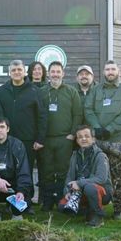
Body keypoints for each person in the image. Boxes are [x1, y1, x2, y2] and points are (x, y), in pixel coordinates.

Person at [84, 60, 121, 219]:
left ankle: (119, 208)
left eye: (113, 69)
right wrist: (97, 127)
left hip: (118, 140)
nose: (110, 72)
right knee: (98, 172)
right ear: (104, 72)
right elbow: (88, 109)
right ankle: (96, 204)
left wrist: (110, 129)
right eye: (107, 69)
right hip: (98, 139)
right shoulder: (96, 90)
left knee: (119, 174)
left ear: (118, 71)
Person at [0, 60, 47, 205]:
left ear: (24, 71)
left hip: (28, 140)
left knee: (26, 172)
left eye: (19, 69)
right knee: (6, 170)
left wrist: (40, 138)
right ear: (9, 72)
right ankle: (8, 201)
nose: (16, 72)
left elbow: (42, 116)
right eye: (13, 70)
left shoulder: (34, 91)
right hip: (6, 140)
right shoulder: (1, 91)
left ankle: (26, 202)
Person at [37, 61, 83, 211]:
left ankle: (62, 199)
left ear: (63, 74)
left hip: (65, 139)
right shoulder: (42, 92)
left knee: (63, 170)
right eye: (53, 71)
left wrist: (72, 134)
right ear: (48, 74)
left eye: (58, 71)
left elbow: (77, 114)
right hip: (47, 139)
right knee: (47, 171)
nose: (55, 74)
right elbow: (37, 115)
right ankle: (48, 200)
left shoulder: (71, 91)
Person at [59, 125, 111, 228]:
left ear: (93, 139)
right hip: (80, 191)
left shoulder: (100, 155)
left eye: (87, 136)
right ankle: (88, 211)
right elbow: (69, 177)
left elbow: (101, 179)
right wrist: (67, 192)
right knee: (62, 206)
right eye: (80, 137)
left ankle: (98, 216)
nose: (83, 139)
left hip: (101, 191)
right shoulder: (75, 155)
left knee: (90, 188)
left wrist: (79, 183)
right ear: (77, 140)